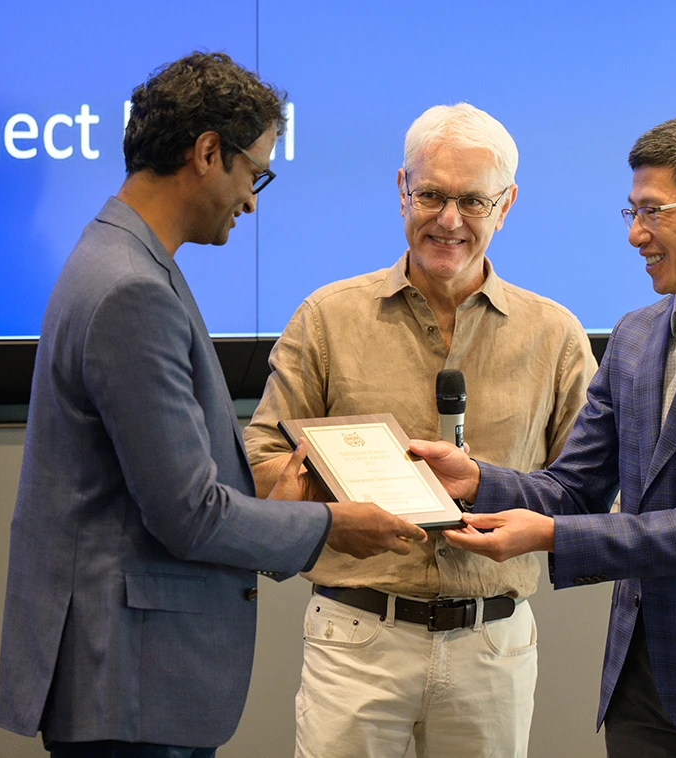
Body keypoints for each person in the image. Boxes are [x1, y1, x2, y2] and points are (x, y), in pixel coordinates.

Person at [0, 51, 426, 757]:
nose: (253, 199)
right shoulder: (132, 288)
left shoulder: (116, 257)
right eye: (253, 173)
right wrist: (327, 526)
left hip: (127, 679)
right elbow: (186, 516)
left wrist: (273, 498)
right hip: (133, 684)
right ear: (205, 152)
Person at [412, 112, 676, 758]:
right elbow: (574, 486)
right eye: (631, 212)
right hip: (642, 686)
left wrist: (551, 536)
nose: (636, 234)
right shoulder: (637, 337)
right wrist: (478, 480)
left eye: (653, 212)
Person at [242, 103, 597, 757]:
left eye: (472, 201)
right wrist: (324, 490)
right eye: (431, 194)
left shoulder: (557, 336)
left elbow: (586, 493)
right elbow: (259, 458)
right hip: (358, 635)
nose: (449, 220)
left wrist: (496, 493)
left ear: (507, 204)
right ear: (402, 189)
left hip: (493, 644)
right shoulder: (327, 318)